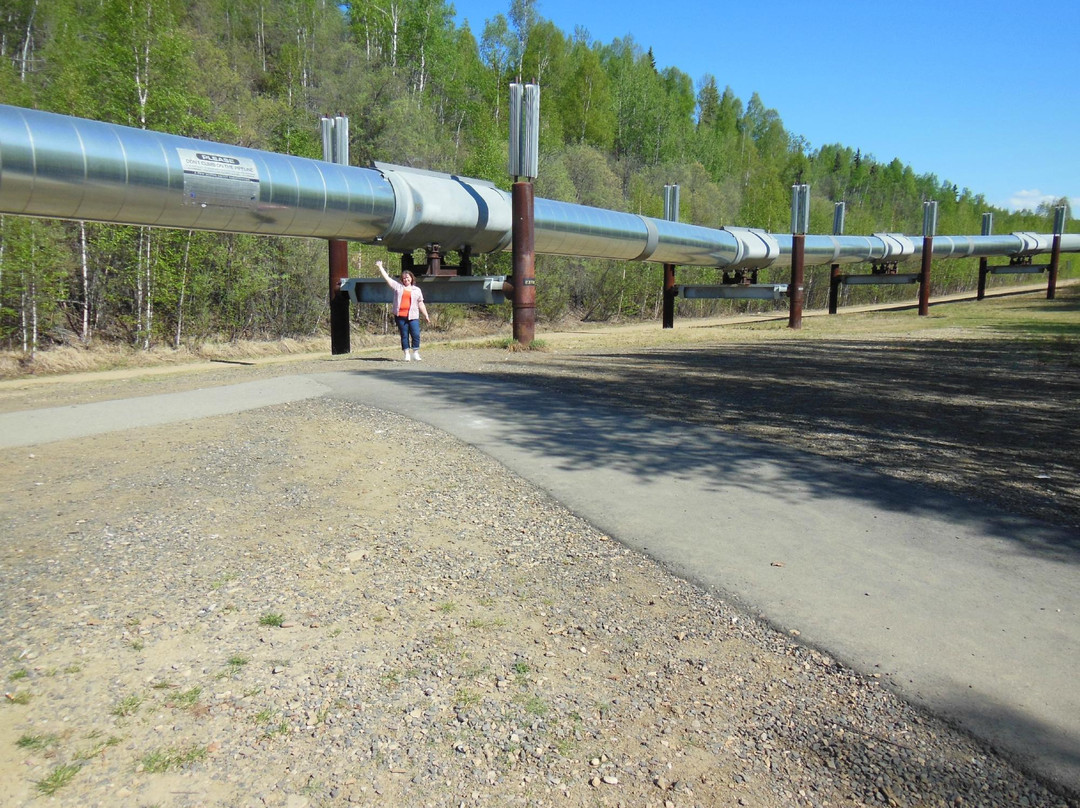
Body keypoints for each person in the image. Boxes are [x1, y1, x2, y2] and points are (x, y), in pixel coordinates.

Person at [375, 259, 430, 361]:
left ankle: (416, 353)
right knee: (404, 335)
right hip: (400, 316)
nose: (406, 279)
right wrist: (380, 267)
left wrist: (426, 315)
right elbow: (387, 278)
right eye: (404, 278)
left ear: (411, 278)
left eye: (407, 278)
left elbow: (421, 303)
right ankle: (406, 354)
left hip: (413, 316)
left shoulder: (417, 290)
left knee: (416, 334)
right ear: (402, 279)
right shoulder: (398, 287)